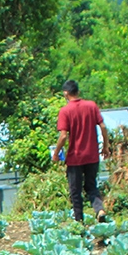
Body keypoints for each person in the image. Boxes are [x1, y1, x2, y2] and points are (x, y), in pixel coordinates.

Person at [52, 79, 110, 223]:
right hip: (92, 155)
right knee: (92, 187)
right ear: (78, 91)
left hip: (75, 158)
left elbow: (63, 135)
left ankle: (79, 222)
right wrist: (106, 146)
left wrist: (56, 153)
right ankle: (99, 209)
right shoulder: (91, 106)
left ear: (66, 93)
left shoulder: (65, 111)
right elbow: (103, 127)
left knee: (75, 192)